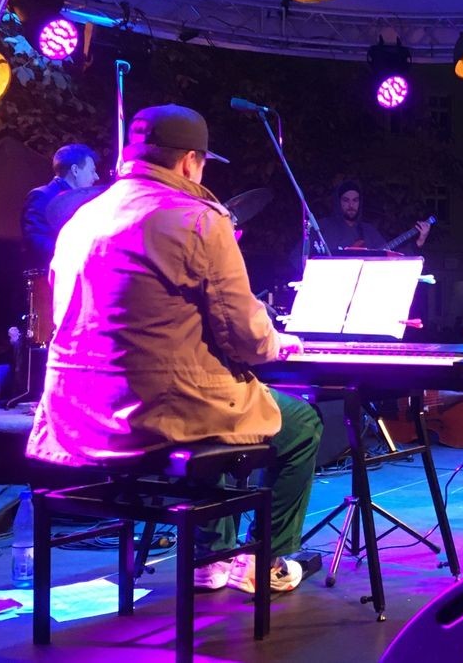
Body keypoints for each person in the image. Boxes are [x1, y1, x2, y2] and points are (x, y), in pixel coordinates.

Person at [25, 105, 322, 593]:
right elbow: (246, 336)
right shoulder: (197, 218)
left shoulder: (84, 217)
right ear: (188, 162)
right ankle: (262, 560)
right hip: (156, 412)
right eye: (203, 163)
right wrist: (279, 341)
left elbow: (63, 317)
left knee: (216, 409)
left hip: (79, 411)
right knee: (298, 423)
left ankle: (209, 559)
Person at [21, 143, 100, 270]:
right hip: (50, 280)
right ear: (75, 170)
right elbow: (36, 242)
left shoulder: (85, 203)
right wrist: (78, 251)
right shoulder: (41, 196)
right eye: (92, 171)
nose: (96, 177)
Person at [316, 180, 431, 253]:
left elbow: (391, 257)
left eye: (355, 200)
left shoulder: (368, 231)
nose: (351, 205)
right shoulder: (322, 227)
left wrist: (419, 241)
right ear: (338, 202)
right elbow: (299, 258)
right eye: (346, 200)